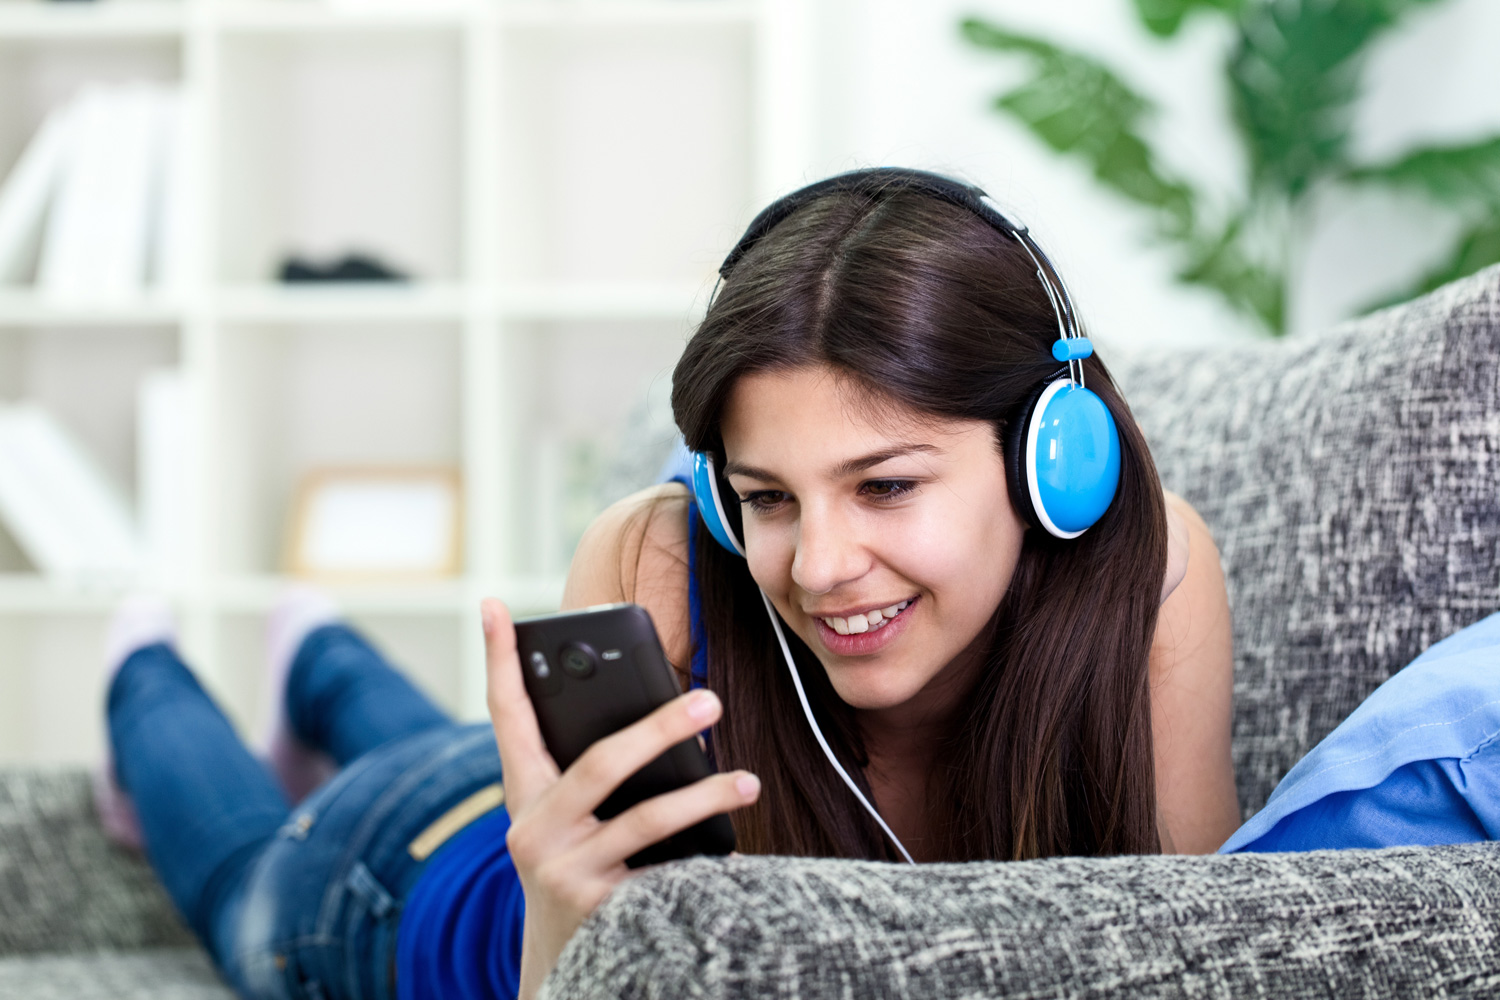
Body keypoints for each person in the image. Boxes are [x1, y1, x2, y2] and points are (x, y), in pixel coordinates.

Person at [97, 168, 1237, 1000]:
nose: (822, 568)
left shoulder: (1152, 573)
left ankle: (320, 658)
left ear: (1057, 460)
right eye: (769, 497)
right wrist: (552, 904)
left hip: (502, 783)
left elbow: (1198, 956)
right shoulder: (659, 565)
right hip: (395, 890)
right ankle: (141, 665)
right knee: (247, 873)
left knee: (450, 746)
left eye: (885, 486)